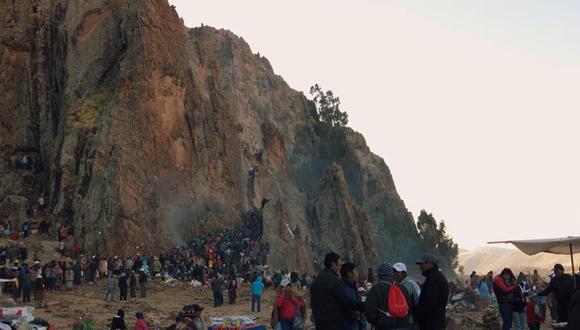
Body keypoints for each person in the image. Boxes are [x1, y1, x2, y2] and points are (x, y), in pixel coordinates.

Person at [310, 252, 363, 330]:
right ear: (333, 264)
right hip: (335, 324)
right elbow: (347, 302)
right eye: (339, 264)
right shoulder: (335, 281)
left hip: (320, 324)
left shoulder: (316, 281)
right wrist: (364, 306)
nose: (339, 267)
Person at [364, 262, 413, 330]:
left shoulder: (376, 288)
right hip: (403, 325)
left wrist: (374, 322)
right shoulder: (402, 287)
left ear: (379, 274)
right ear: (391, 273)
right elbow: (409, 307)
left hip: (384, 326)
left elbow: (370, 311)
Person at [414, 254, 449, 330]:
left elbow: (430, 302)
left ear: (429, 263)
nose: (420, 267)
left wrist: (419, 316)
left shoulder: (434, 278)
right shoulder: (435, 276)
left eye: (422, 264)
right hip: (436, 322)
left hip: (432, 323)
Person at [340, 262, 366, 330]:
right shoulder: (343, 288)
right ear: (349, 273)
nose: (357, 274)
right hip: (349, 325)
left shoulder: (353, 286)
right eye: (355, 271)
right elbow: (349, 307)